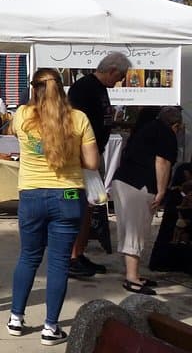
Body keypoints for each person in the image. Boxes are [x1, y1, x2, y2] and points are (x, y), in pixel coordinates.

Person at [8, 68, 99, 346]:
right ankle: (50, 327)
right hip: (68, 195)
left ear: (34, 88)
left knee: (28, 257)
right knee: (59, 261)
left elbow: (15, 136)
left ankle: (16, 318)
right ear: (63, 88)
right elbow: (93, 163)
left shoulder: (22, 116)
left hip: (32, 194)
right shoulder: (78, 118)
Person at [67, 52, 131, 277]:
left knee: (91, 206)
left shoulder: (99, 88)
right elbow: (77, 124)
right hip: (84, 157)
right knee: (83, 207)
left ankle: (79, 253)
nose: (120, 80)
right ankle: (72, 257)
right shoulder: (84, 87)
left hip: (94, 153)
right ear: (112, 70)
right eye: (120, 75)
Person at [112, 106, 181, 295]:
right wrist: (161, 190)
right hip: (138, 186)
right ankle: (132, 278)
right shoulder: (166, 134)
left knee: (132, 229)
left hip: (124, 182)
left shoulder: (148, 128)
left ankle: (134, 274)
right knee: (136, 230)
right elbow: (163, 163)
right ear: (176, 124)